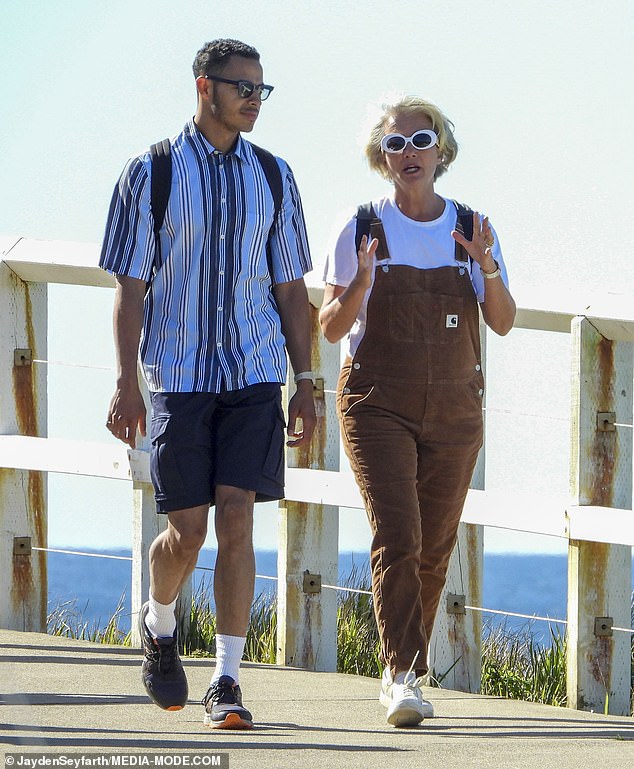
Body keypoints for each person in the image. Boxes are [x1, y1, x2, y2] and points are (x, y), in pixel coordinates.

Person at [99, 38, 316, 731]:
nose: (253, 99)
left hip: (254, 374)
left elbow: (291, 288)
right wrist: (125, 382)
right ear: (205, 87)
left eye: (261, 89)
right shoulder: (151, 172)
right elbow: (129, 287)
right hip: (179, 376)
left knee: (240, 516)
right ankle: (159, 620)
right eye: (241, 87)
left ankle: (227, 678)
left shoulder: (276, 177)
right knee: (186, 533)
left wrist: (305, 380)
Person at [319, 96, 516, 727]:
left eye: (420, 140)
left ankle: (404, 666)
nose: (409, 153)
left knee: (435, 545)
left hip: (456, 406)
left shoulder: (474, 227)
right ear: (381, 155)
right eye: (395, 143)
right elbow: (329, 327)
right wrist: (362, 281)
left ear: (442, 150)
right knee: (397, 533)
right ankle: (402, 673)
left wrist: (485, 263)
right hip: (378, 403)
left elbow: (504, 321)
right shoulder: (359, 226)